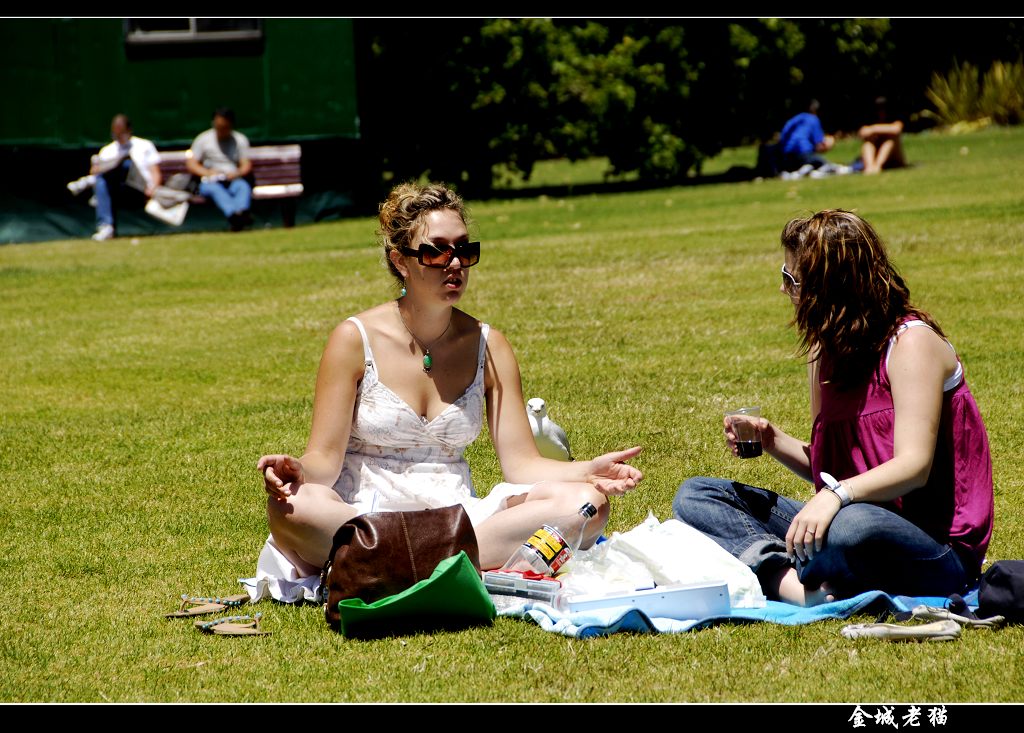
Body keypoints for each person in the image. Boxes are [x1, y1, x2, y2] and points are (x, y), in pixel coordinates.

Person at [250, 182, 643, 601]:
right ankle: (458, 567)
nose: (454, 263)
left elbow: (522, 465)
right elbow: (325, 461)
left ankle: (381, 568)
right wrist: (300, 471)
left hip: (457, 517)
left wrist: (587, 471)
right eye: (436, 251)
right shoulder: (353, 338)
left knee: (586, 504)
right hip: (365, 515)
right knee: (294, 506)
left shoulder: (489, 345)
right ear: (400, 261)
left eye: (463, 250)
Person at [674, 210, 993, 606]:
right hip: (848, 512)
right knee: (697, 496)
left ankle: (783, 571)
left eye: (791, 280)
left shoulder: (911, 345)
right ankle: (795, 584)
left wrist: (836, 497)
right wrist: (772, 440)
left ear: (831, 286)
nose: (783, 290)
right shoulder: (823, 351)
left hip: (933, 548)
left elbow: (914, 467)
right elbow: (832, 469)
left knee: (847, 527)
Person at [67, 114, 162, 241]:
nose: (118, 136)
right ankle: (106, 227)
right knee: (101, 181)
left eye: (121, 132)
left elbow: (156, 172)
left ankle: (89, 181)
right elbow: (97, 170)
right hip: (118, 190)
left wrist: (153, 188)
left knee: (125, 164)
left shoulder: (144, 145)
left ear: (129, 131)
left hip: (140, 189)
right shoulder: (107, 150)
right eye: (115, 133)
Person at [185, 107, 253, 231]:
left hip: (232, 180)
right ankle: (234, 215)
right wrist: (208, 173)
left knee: (242, 186)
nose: (220, 130)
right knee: (216, 190)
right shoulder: (203, 139)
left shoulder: (240, 140)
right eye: (218, 126)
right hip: (208, 182)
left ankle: (241, 213)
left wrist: (237, 173)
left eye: (224, 127)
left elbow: (246, 164)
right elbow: (191, 164)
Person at [777, 99, 837, 175]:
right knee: (823, 163)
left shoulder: (793, 120)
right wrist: (828, 145)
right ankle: (808, 168)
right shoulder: (813, 119)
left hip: (786, 156)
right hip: (803, 153)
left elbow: (782, 139)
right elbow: (819, 145)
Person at [857, 96, 906, 175]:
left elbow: (896, 129)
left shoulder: (894, 116)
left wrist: (873, 129)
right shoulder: (869, 118)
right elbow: (862, 132)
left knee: (891, 139)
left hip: (894, 157)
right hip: (875, 152)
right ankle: (870, 166)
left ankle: (877, 166)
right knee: (868, 141)